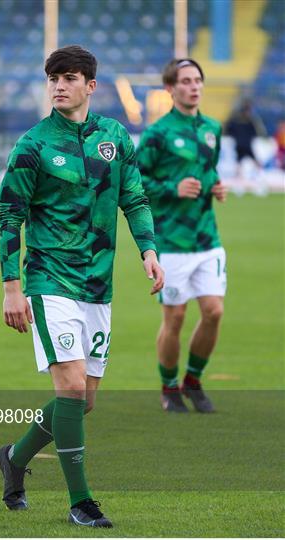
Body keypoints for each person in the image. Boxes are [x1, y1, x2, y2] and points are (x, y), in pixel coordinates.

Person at [0, 45, 163, 528]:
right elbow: (9, 216)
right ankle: (81, 502)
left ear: (91, 85)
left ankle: (14, 457)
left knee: (84, 401)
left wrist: (148, 250)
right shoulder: (33, 144)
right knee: (68, 389)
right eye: (52, 79)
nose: (58, 86)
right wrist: (12, 287)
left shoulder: (113, 136)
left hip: (97, 284)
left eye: (68, 78)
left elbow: (134, 196)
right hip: (49, 279)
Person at [137, 58, 228, 413]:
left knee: (214, 311)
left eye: (198, 80)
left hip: (207, 237)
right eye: (186, 81)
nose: (194, 86)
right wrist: (172, 187)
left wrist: (215, 186)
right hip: (171, 241)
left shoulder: (212, 128)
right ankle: (169, 387)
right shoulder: (157, 134)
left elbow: (208, 170)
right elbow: (135, 182)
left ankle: (193, 380)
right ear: (171, 88)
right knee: (174, 317)